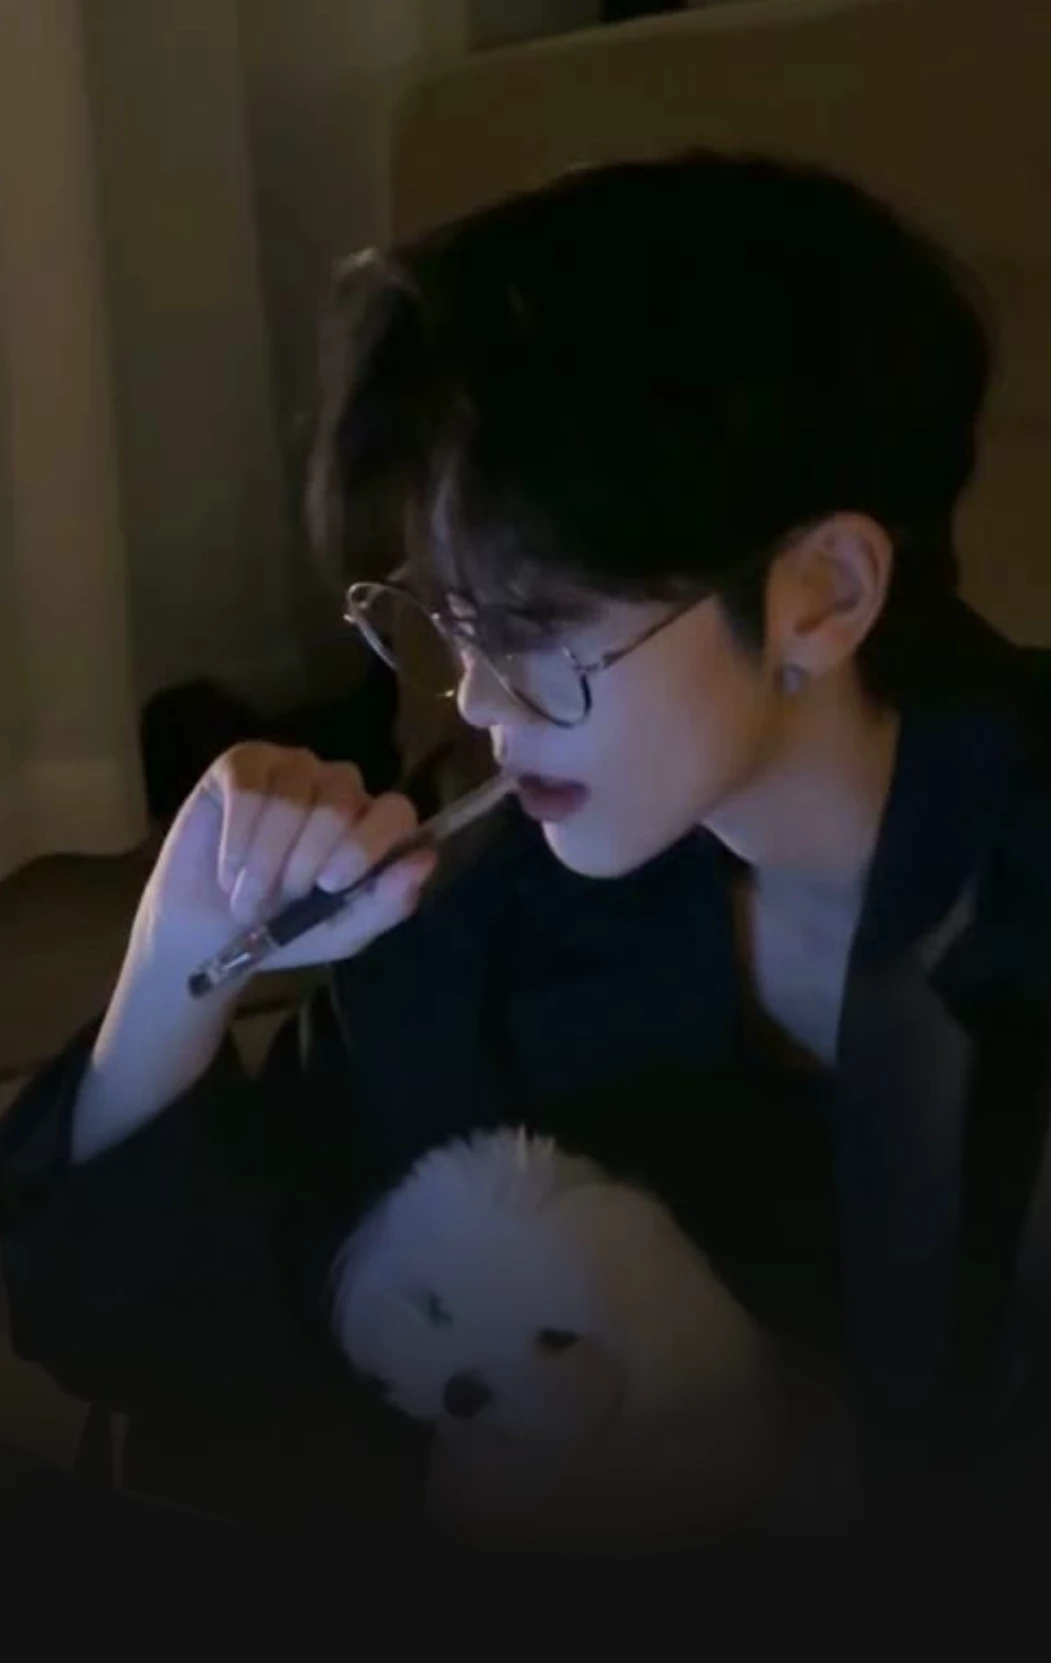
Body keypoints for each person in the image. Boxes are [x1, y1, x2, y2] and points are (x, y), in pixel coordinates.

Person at [3, 150, 1051, 1543]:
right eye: (451, 624)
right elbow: (191, 1351)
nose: (479, 701)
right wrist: (178, 971)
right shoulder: (498, 889)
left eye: (536, 629)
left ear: (824, 591)